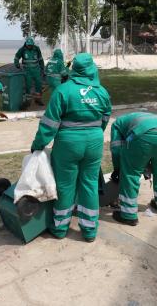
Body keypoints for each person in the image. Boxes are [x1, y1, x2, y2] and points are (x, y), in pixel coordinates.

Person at [30, 53, 112, 242]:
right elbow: (105, 118)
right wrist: (94, 132)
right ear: (92, 69)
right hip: (94, 142)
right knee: (90, 184)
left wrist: (38, 145)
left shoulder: (63, 91)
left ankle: (60, 229)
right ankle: (90, 230)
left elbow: (49, 124)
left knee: (65, 186)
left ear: (73, 69)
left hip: (68, 145)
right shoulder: (102, 92)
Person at [109, 112, 157, 226]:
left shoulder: (116, 124)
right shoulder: (143, 117)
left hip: (144, 136)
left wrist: (118, 169)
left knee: (130, 174)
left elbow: (116, 149)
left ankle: (128, 215)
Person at [14, 37, 45, 105]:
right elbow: (16, 57)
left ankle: (38, 99)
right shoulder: (22, 49)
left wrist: (42, 68)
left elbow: (40, 59)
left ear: (33, 44)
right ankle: (28, 101)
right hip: (27, 70)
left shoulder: (37, 49)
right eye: (28, 45)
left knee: (39, 84)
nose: (29, 46)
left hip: (36, 70)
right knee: (28, 85)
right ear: (26, 44)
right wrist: (17, 64)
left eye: (31, 45)